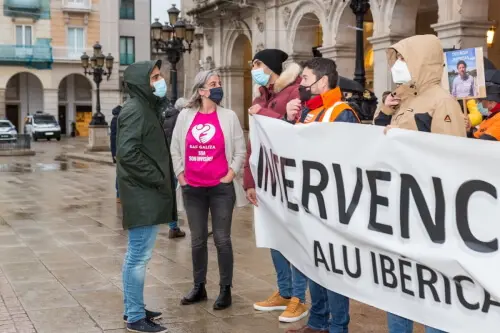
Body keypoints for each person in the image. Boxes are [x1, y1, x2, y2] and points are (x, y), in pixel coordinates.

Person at [373, 34, 466, 333]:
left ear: (421, 61)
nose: (397, 65)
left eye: (402, 58)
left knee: (429, 287)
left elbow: (450, 157)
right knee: (398, 284)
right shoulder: (403, 97)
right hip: (397, 205)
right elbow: (373, 139)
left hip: (426, 209)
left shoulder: (443, 101)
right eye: (396, 59)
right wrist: (386, 110)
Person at [285, 57, 359, 333]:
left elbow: (347, 158)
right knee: (312, 263)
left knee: (333, 269)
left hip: (332, 205)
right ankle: (318, 322)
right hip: (310, 202)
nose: (300, 84)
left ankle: (338, 325)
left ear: (322, 81)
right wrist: (287, 120)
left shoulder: (342, 112)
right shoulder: (309, 111)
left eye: (304, 79)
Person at [170, 69, 247, 311]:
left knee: (223, 239)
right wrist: (181, 176)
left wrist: (231, 174)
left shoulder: (229, 116)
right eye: (213, 84)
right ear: (201, 90)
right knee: (198, 240)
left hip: (220, 188)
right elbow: (175, 148)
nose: (218, 87)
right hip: (192, 188)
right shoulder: (185, 116)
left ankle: (225, 289)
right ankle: (199, 286)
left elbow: (240, 151)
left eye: (219, 83)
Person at [242, 49, 309, 323]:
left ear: (270, 66)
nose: (253, 67)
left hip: (289, 179)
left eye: (257, 63)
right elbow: (255, 142)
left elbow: (292, 128)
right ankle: (283, 291)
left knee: (293, 238)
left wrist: (263, 113)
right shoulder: (262, 96)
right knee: (275, 238)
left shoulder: (293, 92)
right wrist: (249, 180)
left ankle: (299, 298)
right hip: (267, 178)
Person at [117, 60, 177, 333]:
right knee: (138, 256)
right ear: (142, 82)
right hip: (143, 192)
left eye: (159, 75)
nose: (160, 80)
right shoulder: (135, 110)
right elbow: (127, 154)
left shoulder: (146, 107)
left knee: (139, 254)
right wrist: (157, 178)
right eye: (154, 77)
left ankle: (136, 306)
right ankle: (134, 315)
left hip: (146, 191)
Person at [162, 97, 187, 239]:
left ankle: (173, 226)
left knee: (172, 193)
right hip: (179, 161)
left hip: (168, 160)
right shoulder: (181, 119)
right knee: (186, 192)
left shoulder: (167, 118)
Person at [110, 104, 122, 203]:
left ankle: (119, 194)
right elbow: (113, 138)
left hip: (118, 150)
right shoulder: (117, 120)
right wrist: (114, 153)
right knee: (120, 173)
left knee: (120, 173)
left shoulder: (115, 119)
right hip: (119, 150)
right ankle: (119, 194)